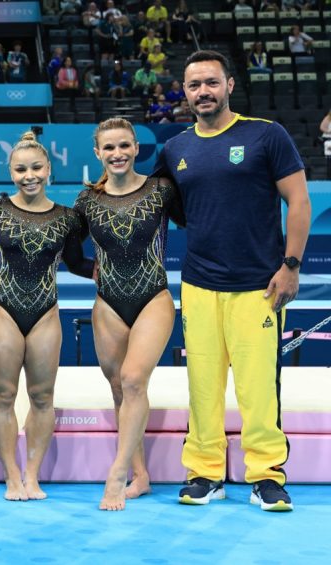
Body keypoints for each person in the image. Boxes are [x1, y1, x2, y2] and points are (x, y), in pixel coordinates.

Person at [154, 50, 311, 511]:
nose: (202, 92)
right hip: (199, 286)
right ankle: (205, 473)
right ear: (184, 93)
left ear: (228, 85)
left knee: (258, 387)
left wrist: (292, 265)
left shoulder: (266, 135)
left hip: (259, 287)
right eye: (193, 85)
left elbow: (298, 202)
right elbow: (164, 207)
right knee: (202, 385)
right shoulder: (176, 148)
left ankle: (265, 474)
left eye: (211, 82)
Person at [0, 132, 93, 500]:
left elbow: (78, 262)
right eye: (20, 169)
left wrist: (106, 271)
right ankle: (11, 475)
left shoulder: (67, 218)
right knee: (3, 394)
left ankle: (32, 475)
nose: (28, 175)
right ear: (10, 172)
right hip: (3, 307)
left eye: (36, 167)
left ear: (49, 169)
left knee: (42, 396)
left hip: (46, 311)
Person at [74, 118, 184, 511]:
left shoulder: (161, 191)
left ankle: (117, 473)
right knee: (120, 388)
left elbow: (201, 221)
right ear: (98, 153)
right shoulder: (87, 200)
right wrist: (91, 269)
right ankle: (141, 474)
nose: (117, 153)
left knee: (135, 378)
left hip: (153, 296)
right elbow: (69, 249)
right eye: (109, 148)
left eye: (124, 146)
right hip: (108, 302)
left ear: (137, 148)